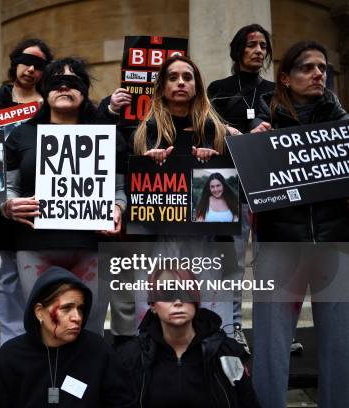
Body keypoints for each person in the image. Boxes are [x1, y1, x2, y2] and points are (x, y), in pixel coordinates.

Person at [249, 41, 349, 408]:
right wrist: (250, 152)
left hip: (336, 243)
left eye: (322, 68)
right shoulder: (262, 127)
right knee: (271, 345)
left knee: (341, 344)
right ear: (286, 79)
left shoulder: (344, 126)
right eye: (307, 68)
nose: (318, 74)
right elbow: (241, 194)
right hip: (279, 245)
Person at [3, 57, 127, 335]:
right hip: (35, 245)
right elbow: (8, 188)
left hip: (92, 246)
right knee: (42, 329)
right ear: (45, 91)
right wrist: (8, 206)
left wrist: (118, 208)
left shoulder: (108, 135)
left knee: (89, 330)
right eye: (56, 83)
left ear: (84, 91)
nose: (63, 88)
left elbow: (119, 191)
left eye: (72, 82)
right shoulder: (21, 135)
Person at [131, 55, 235, 330]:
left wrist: (214, 163)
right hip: (158, 238)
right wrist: (147, 163)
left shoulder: (215, 130)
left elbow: (234, 189)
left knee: (210, 311)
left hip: (207, 239)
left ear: (197, 87)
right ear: (162, 87)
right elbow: (132, 188)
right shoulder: (146, 132)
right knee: (161, 310)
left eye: (187, 78)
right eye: (173, 77)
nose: (180, 83)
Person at [207, 24, 276, 352]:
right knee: (231, 262)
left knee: (271, 261)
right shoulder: (218, 88)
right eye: (252, 44)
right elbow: (205, 127)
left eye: (264, 45)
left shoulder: (277, 90)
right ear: (238, 50)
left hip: (270, 185)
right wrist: (231, 131)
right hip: (230, 186)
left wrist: (272, 131)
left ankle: (275, 329)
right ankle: (231, 325)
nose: (259, 50)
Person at [0, 37, 53, 346]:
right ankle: (11, 344)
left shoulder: (50, 105)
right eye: (25, 61)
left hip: (42, 205)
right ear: (14, 63)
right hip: (2, 200)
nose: (31, 69)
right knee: (8, 279)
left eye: (39, 65)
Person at [0, 266, 135, 407]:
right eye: (66, 308)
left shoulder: (97, 351)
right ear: (39, 312)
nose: (77, 317)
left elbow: (123, 402)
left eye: (80, 308)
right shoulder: (11, 356)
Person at [116, 268, 260, 407]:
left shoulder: (227, 352)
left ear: (196, 300)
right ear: (152, 305)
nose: (178, 302)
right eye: (167, 293)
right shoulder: (131, 356)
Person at [0, 38, 53, 112]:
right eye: (27, 61)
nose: (31, 69)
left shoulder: (49, 101)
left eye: (39, 66)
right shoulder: (4, 94)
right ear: (16, 64)